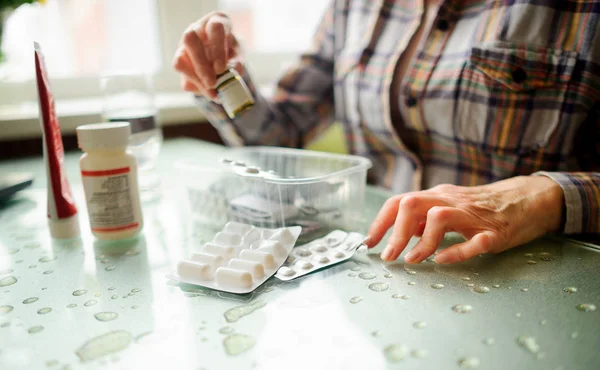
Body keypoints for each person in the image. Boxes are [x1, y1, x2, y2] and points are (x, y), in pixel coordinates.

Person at [173, 1, 600, 265]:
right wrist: (223, 82)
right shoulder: (353, 6)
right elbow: (280, 137)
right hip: (380, 262)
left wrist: (541, 197)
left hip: (540, 270)